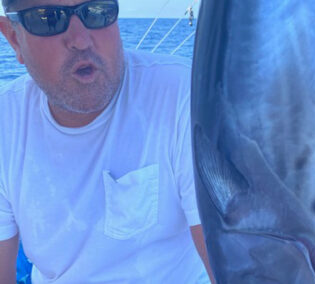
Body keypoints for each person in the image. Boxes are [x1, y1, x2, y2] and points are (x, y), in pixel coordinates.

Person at [0, 0, 214, 283]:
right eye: (48, 18)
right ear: (14, 38)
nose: (80, 39)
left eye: (97, 11)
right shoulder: (7, 122)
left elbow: (231, 263)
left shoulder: (183, 98)